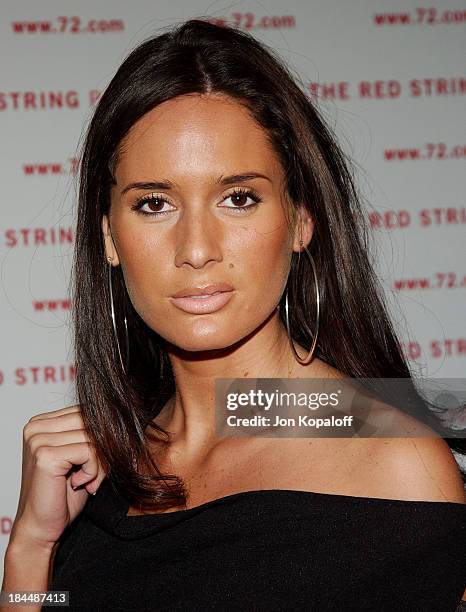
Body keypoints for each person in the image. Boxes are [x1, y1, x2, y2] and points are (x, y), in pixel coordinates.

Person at [1, 18, 465, 612]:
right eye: (154, 203)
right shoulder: (101, 468)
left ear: (301, 219)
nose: (196, 248)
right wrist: (32, 549)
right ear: (110, 238)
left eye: (238, 198)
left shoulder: (394, 462)